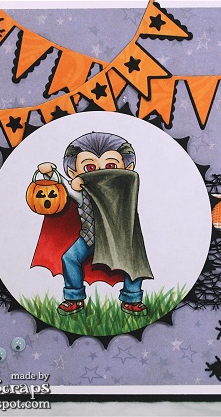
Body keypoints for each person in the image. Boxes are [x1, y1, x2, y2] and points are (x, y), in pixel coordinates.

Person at [37, 132, 153, 316]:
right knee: (69, 258)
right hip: (90, 238)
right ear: (73, 172)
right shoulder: (82, 192)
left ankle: (132, 299)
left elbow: (129, 177)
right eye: (90, 167)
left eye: (111, 165)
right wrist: (51, 173)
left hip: (120, 239)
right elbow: (64, 187)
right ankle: (74, 298)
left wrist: (85, 178)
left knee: (133, 262)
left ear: (128, 167)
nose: (100, 172)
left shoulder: (127, 185)